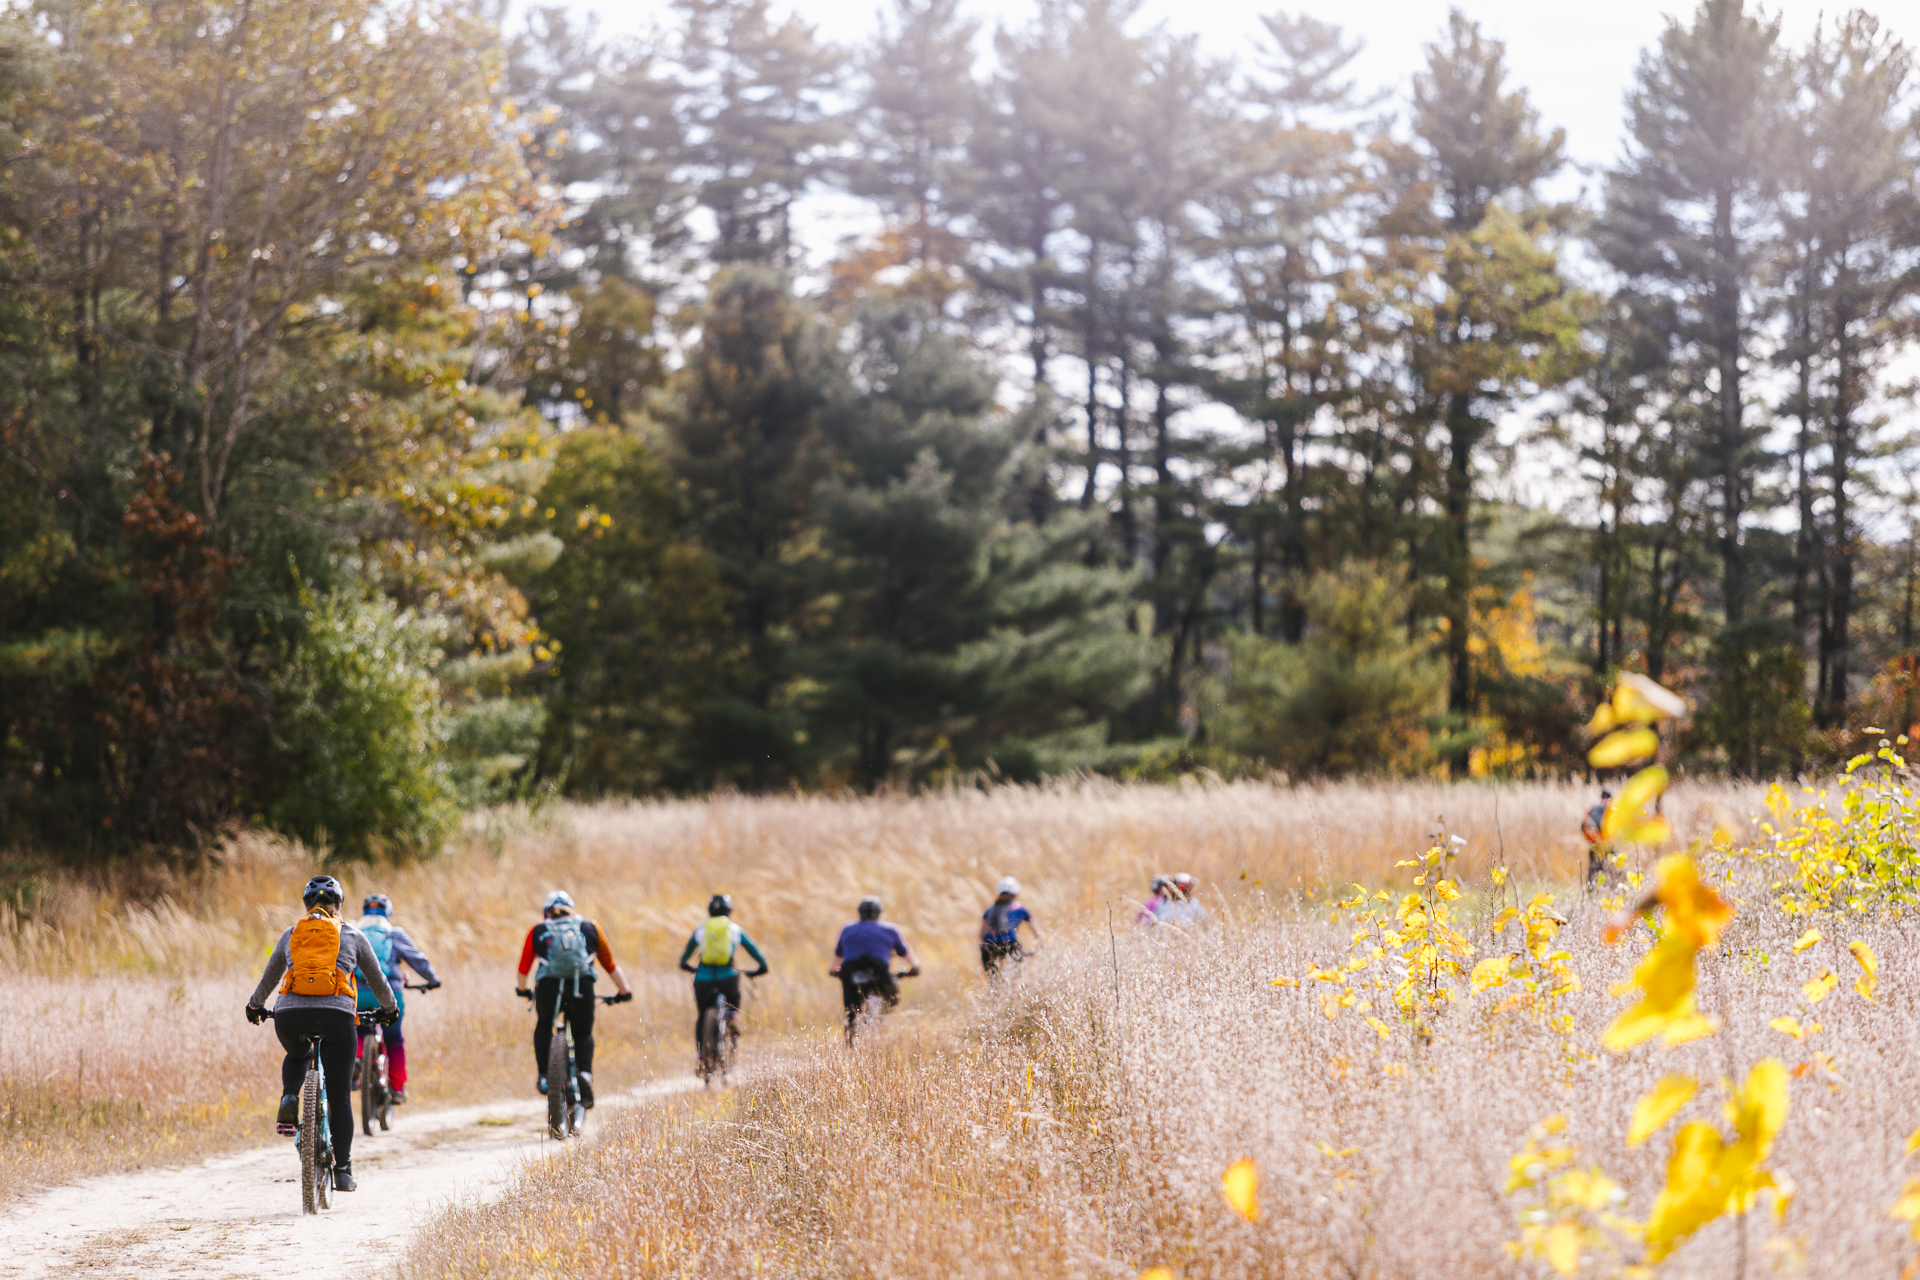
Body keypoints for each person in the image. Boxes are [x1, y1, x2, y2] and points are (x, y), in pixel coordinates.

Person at [245, 875, 397, 1194]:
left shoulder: (292, 934)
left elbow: (271, 976)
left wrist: (255, 1005)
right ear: (339, 905)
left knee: (297, 1052)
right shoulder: (353, 935)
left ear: (306, 905)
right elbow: (378, 979)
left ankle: (290, 1096)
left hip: (290, 1014)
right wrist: (389, 1008)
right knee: (340, 1095)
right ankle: (343, 1172)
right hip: (338, 1015)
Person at [514, 890, 632, 1108]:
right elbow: (610, 964)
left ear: (546, 912)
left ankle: (543, 1076)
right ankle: (585, 1074)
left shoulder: (537, 930)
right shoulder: (590, 927)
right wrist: (624, 991)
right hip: (581, 988)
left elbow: (524, 967)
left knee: (544, 1024)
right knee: (583, 1033)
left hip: (548, 988)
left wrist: (522, 989)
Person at [353, 893, 441, 1104]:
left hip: (358, 994)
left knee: (357, 1030)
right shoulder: (394, 934)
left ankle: (355, 1061)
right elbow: (418, 960)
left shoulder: (353, 932)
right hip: (390, 994)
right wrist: (432, 980)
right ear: (389, 913)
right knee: (394, 1039)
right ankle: (397, 1087)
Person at [677, 893, 769, 1059]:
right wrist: (762, 967)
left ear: (710, 910)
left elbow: (686, 955)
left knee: (702, 1015)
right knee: (733, 1006)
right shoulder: (734, 929)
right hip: (728, 978)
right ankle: (732, 1019)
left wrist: (685, 964)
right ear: (729, 910)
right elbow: (755, 951)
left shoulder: (701, 929)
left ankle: (701, 1054)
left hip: (703, 979)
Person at [831, 896, 919, 1034]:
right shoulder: (891, 929)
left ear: (859, 912)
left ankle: (851, 1046)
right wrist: (915, 967)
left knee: (851, 1015)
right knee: (891, 1000)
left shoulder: (847, 929)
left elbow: (838, 954)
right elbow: (905, 952)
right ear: (879, 913)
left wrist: (834, 970)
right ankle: (880, 1022)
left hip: (851, 972)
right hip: (878, 972)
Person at [980, 877, 1040, 975]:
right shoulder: (1019, 907)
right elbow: (1034, 927)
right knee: (1018, 973)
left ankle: (996, 986)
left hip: (988, 946)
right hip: (1009, 944)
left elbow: (982, 932)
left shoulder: (990, 909)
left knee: (993, 978)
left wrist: (983, 946)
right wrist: (1040, 943)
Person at [1582, 789, 1614, 882]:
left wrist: (1590, 838)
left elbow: (1582, 825)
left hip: (1593, 843)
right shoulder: (1610, 809)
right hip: (1606, 845)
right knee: (1610, 868)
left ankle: (1591, 889)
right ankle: (1610, 887)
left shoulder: (1592, 807)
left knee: (1592, 868)